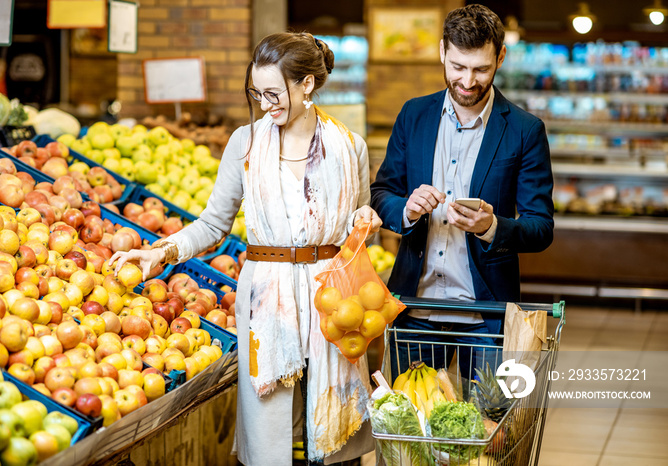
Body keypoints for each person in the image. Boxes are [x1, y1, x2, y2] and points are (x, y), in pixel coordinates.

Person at [110, 32, 381, 465]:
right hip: (268, 304)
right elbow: (214, 224)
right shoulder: (245, 143)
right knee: (270, 435)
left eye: (274, 93)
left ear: (306, 84)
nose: (264, 104)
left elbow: (358, 215)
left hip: (333, 299)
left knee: (334, 434)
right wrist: (161, 252)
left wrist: (363, 221)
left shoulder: (350, 147)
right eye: (257, 93)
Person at [370, 4, 554, 379]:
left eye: (481, 69)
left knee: (486, 430)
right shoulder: (413, 115)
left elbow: (540, 227)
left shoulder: (524, 129)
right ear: (442, 52)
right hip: (414, 309)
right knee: (410, 431)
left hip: (485, 316)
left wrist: (492, 226)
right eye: (457, 67)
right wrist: (406, 209)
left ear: (500, 57)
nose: (468, 81)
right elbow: (382, 192)